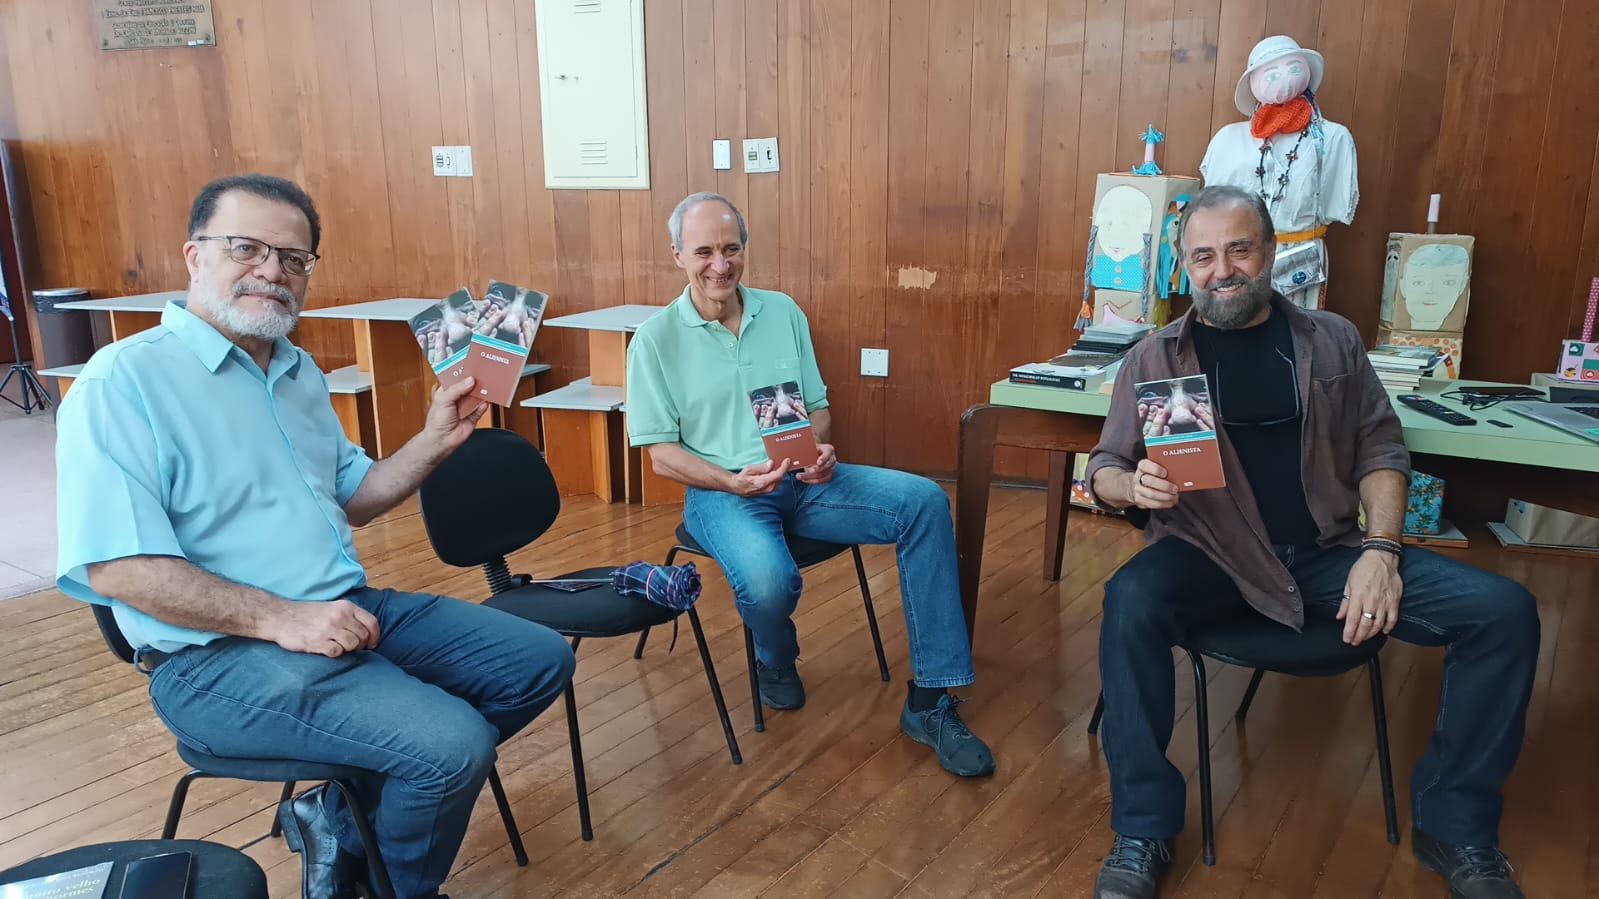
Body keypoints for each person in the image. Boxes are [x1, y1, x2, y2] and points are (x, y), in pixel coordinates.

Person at [54, 174, 577, 899]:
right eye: (247, 248)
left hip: (342, 607)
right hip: (212, 660)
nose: (272, 270)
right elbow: (116, 568)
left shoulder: (299, 373)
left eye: (294, 258)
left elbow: (355, 497)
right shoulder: (123, 381)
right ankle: (383, 888)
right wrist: (282, 617)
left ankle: (334, 817)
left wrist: (434, 439)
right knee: (450, 745)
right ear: (193, 256)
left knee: (537, 659)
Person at [1084, 185, 1538, 899]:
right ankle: (1142, 827)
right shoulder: (1156, 357)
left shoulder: (1330, 339)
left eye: (1238, 249)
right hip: (1208, 552)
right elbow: (1103, 465)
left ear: (1268, 253)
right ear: (1183, 266)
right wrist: (1128, 486)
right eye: (1202, 256)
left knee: (1503, 609)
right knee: (1127, 598)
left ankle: (1456, 826)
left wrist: (1380, 553)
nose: (1221, 270)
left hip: (1328, 554)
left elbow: (1382, 450)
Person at [624, 191, 995, 777]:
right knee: (771, 582)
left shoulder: (784, 313)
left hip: (805, 479)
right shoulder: (655, 340)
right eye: (704, 252)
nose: (720, 265)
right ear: (676, 256)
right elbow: (660, 455)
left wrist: (821, 450)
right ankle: (775, 657)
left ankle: (931, 700)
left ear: (744, 249)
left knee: (924, 501)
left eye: (731, 249)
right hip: (724, 493)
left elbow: (817, 409)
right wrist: (731, 481)